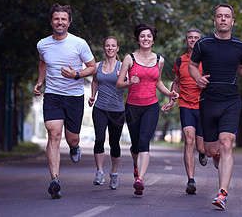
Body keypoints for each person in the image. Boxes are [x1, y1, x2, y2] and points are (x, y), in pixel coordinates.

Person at [188, 3, 242, 210]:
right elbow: (192, 66)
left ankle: (222, 193)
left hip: (230, 101)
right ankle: (215, 155)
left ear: (232, 21)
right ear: (215, 20)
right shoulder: (203, 44)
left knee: (226, 143)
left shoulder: (241, 46)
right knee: (209, 151)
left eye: (227, 16)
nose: (223, 19)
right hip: (208, 101)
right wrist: (198, 78)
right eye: (220, 16)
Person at [34, 3, 96, 199]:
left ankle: (74, 146)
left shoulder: (79, 43)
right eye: (56, 19)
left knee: (72, 138)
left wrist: (76, 74)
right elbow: (43, 61)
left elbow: (92, 67)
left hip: (74, 97)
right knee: (53, 134)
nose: (59, 22)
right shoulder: (42, 44)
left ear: (69, 22)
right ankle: (55, 180)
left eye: (63, 19)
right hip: (52, 95)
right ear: (51, 21)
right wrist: (40, 81)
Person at [116, 23, 179, 196]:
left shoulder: (159, 60)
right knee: (136, 144)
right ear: (138, 39)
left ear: (153, 40)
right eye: (142, 36)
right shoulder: (129, 59)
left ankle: (140, 180)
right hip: (132, 106)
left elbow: (157, 82)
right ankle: (137, 166)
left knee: (144, 141)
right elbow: (119, 83)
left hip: (151, 105)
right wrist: (130, 82)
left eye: (149, 36)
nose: (146, 39)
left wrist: (170, 93)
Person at [161, 28, 208, 195]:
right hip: (186, 105)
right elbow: (176, 82)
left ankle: (204, 153)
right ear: (186, 41)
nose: (193, 40)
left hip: (203, 106)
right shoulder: (180, 61)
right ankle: (191, 180)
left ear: (201, 41)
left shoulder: (207, 59)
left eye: (196, 38)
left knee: (202, 147)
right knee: (189, 141)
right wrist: (172, 100)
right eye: (190, 38)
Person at [88, 36, 125, 190]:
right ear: (104, 48)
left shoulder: (123, 66)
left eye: (113, 46)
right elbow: (95, 81)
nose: (110, 48)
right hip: (100, 108)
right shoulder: (97, 66)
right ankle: (99, 172)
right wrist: (92, 96)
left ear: (117, 49)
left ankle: (114, 173)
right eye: (107, 46)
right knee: (99, 138)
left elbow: (129, 84)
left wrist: (122, 79)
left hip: (117, 110)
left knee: (114, 142)